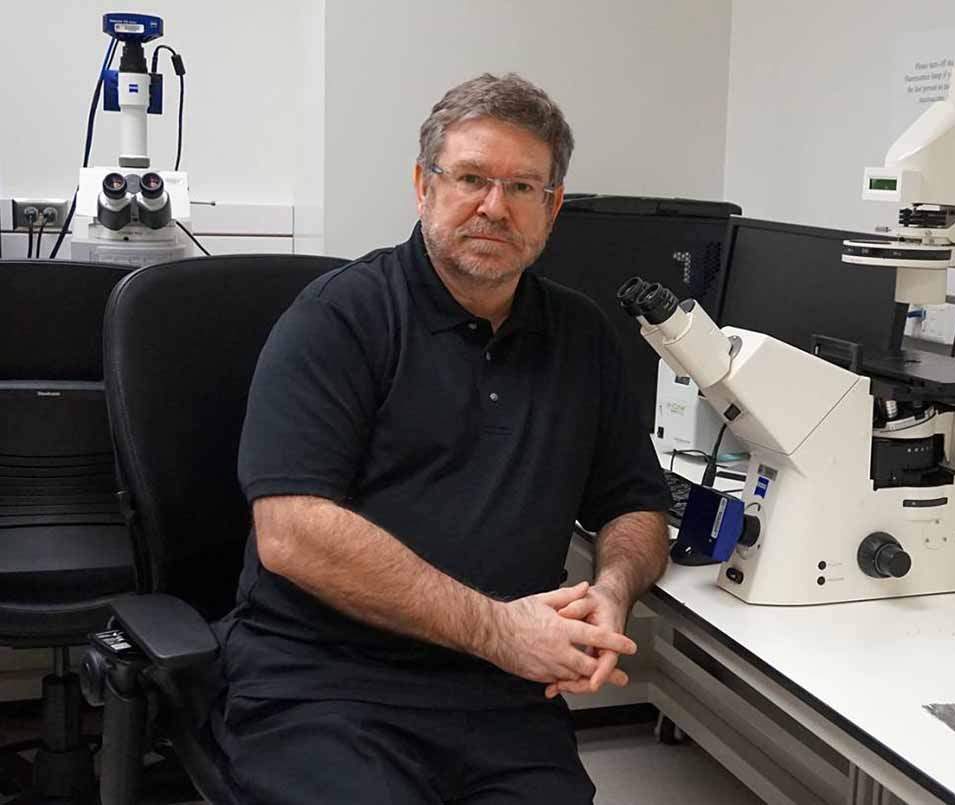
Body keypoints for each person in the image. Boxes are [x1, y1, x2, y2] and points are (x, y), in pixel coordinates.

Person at [210, 73, 671, 804]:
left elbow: (638, 504)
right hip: (324, 687)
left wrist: (613, 590)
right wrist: (498, 628)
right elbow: (290, 532)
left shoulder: (582, 337)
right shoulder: (340, 320)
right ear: (423, 187)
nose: (494, 206)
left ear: (552, 210)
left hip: (501, 698)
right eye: (471, 178)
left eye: (523, 188)